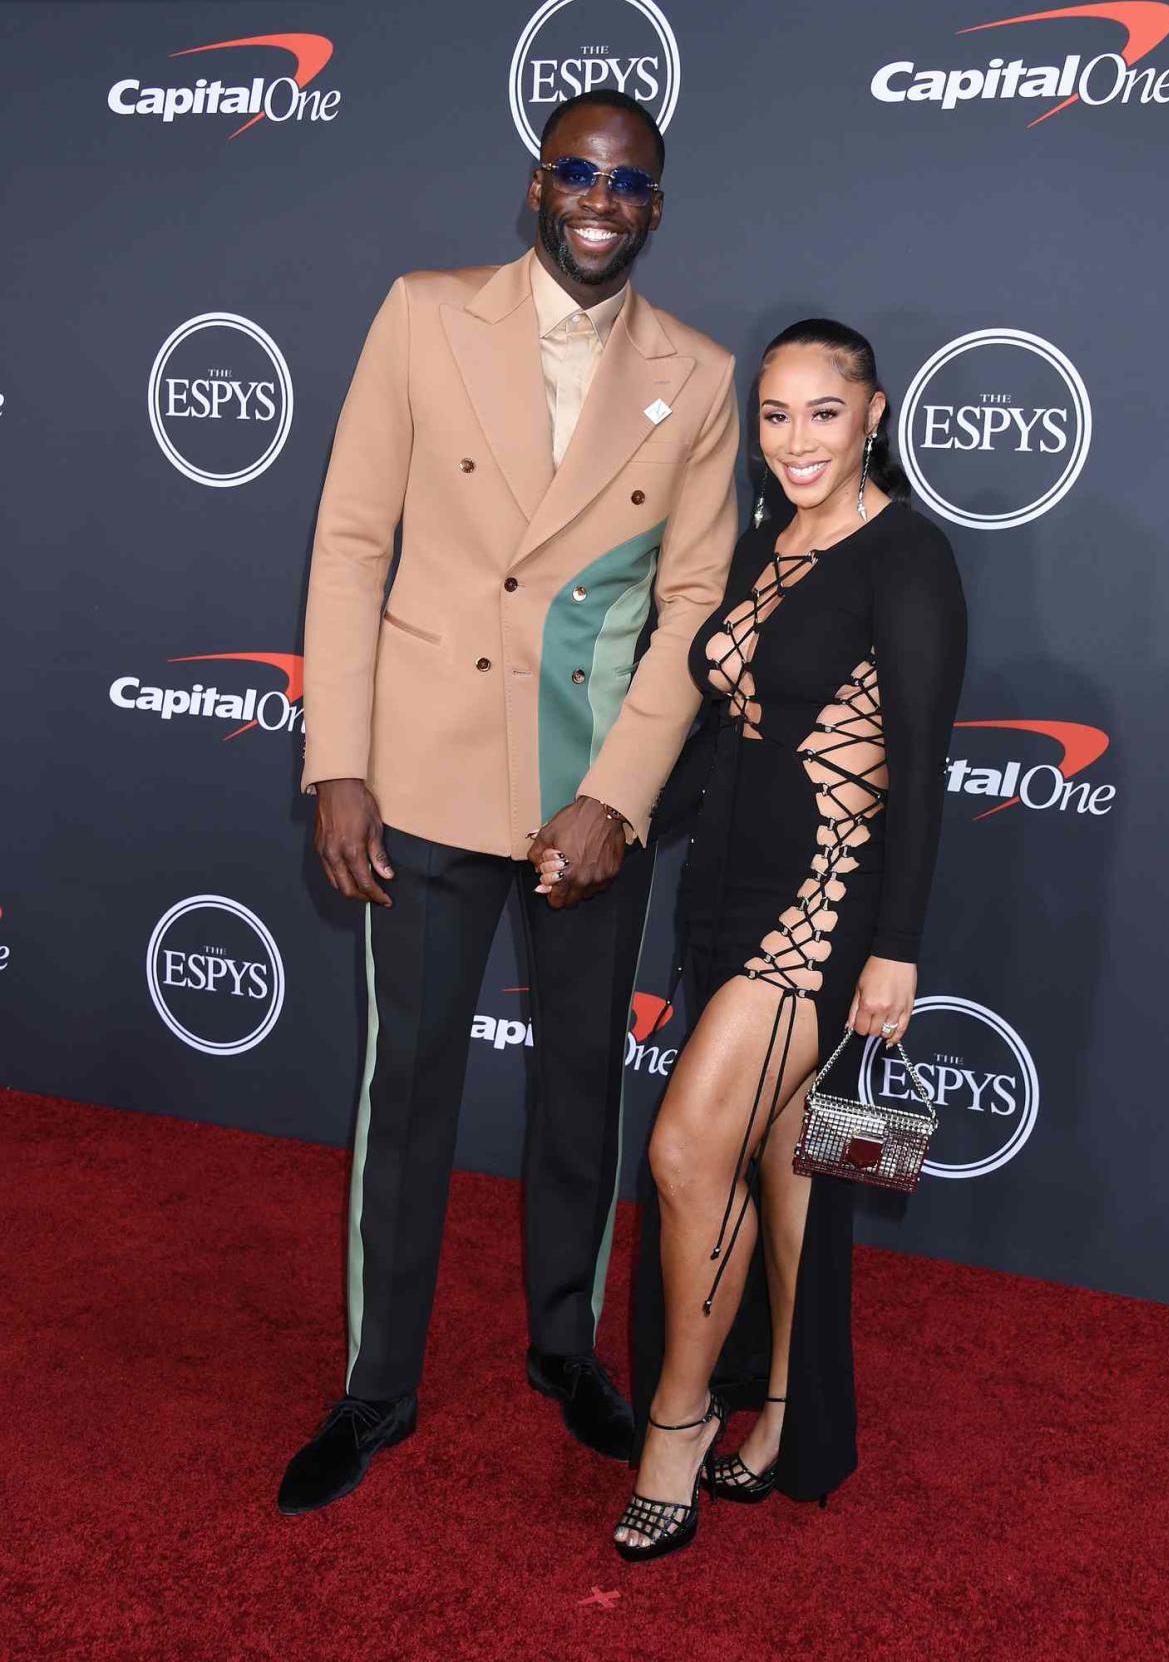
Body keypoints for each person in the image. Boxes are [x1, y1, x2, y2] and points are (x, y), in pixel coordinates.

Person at [278, 89, 739, 1516]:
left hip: (581, 796)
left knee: (577, 1091)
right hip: (415, 772)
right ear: (534, 184)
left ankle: (563, 1347)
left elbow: (691, 609)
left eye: (630, 183)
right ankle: (376, 1383)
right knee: (405, 1090)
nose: (600, 199)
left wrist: (613, 794)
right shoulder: (422, 314)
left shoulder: (701, 376)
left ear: (655, 207)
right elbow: (352, 539)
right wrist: (335, 756)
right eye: (577, 172)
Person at [571, 317, 967, 1558]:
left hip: (828, 908)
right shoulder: (767, 536)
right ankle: (792, 1413)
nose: (796, 440)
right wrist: (618, 816)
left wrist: (896, 948)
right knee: (793, 1166)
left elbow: (919, 763)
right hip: (728, 895)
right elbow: (731, 730)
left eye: (824, 413)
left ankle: (678, 1422)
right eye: (776, 415)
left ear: (876, 414)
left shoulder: (908, 557)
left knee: (691, 1153)